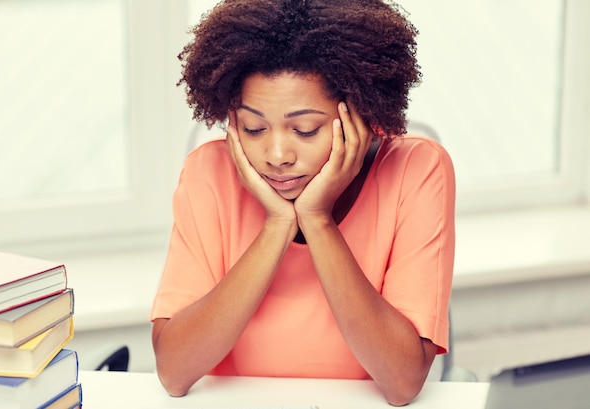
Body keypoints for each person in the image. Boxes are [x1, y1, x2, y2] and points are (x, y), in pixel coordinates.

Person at [150, 0, 455, 406]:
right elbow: (174, 371)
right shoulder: (209, 172)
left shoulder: (416, 169)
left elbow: (402, 383)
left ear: (360, 114)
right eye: (253, 128)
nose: (277, 154)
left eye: (306, 130)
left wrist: (317, 219)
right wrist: (277, 225)